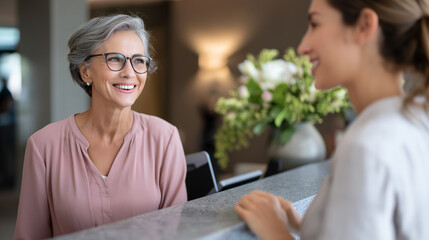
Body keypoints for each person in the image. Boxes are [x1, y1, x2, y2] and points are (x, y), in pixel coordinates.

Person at [235, 0, 429, 239]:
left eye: (315, 24)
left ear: (364, 26)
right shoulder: (415, 119)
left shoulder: (366, 146)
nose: (302, 47)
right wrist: (304, 225)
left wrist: (275, 231)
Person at [14, 14, 187, 239]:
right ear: (85, 71)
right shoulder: (43, 146)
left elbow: (178, 232)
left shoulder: (165, 138)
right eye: (115, 59)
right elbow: (30, 236)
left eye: (138, 60)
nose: (129, 72)